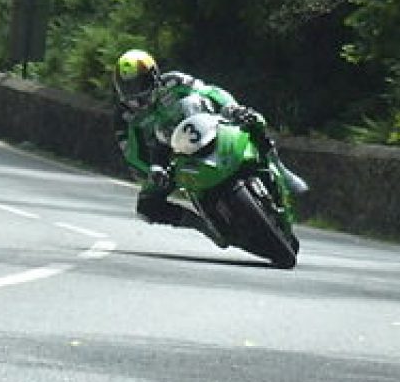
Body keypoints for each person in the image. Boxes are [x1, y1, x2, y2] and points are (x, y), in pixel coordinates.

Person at [112, 48, 306, 245]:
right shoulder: (123, 118)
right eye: (128, 88)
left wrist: (230, 108)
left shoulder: (174, 81)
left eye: (139, 84)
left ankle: (279, 168)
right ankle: (201, 224)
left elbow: (209, 91)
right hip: (168, 159)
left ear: (153, 75)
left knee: (253, 120)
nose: (135, 94)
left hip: (208, 129)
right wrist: (152, 172)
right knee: (146, 208)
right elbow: (132, 154)